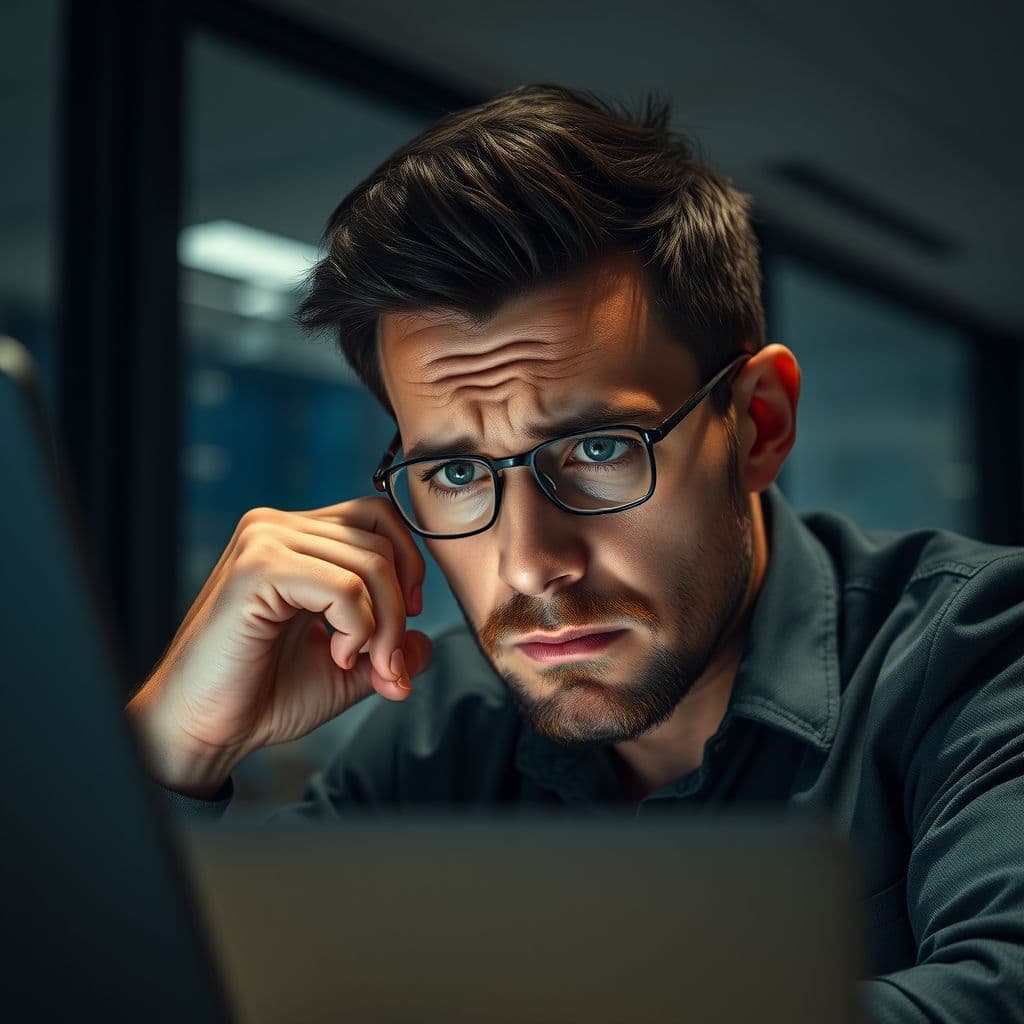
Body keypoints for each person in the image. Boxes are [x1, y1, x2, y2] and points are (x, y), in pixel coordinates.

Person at [125, 84, 1024, 1021]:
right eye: (460, 474)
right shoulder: (447, 728)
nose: (526, 566)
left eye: (598, 450)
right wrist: (172, 750)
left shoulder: (982, 651)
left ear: (758, 423)